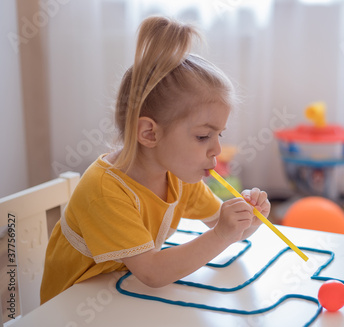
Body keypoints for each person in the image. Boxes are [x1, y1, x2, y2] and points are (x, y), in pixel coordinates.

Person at [40, 16, 270, 303]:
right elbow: (152, 273)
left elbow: (222, 227)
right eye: (203, 137)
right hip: (72, 308)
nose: (216, 150)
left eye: (219, 135)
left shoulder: (177, 175)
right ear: (149, 133)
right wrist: (222, 234)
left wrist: (249, 219)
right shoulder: (104, 191)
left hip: (122, 294)